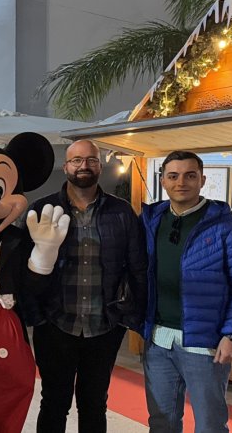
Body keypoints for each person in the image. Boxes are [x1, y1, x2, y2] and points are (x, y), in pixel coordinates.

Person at [24, 139, 148, 433]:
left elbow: (138, 268)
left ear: (100, 166)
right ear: (66, 166)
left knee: (94, 403)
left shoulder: (121, 213)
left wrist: (129, 317)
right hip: (55, 325)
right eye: (77, 160)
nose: (84, 166)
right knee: (54, 402)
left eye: (90, 160)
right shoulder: (42, 209)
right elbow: (24, 269)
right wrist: (36, 316)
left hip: (103, 327)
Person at [141, 150, 232, 433]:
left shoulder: (229, 228)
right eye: (173, 176)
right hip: (158, 339)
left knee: (210, 424)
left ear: (202, 180)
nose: (181, 182)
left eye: (189, 175)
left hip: (205, 343)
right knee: (161, 422)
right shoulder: (151, 221)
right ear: (163, 181)